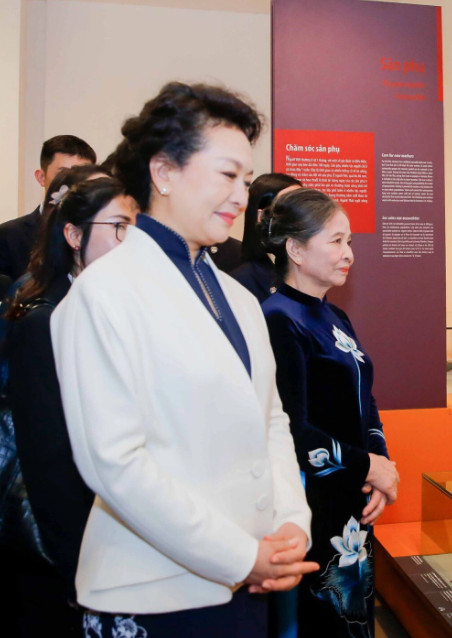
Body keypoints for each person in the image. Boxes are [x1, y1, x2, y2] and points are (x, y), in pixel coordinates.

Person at [50, 82, 316, 637]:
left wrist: (292, 523)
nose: (242, 196)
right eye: (226, 175)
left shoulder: (240, 298)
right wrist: (239, 555)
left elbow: (270, 420)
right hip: (155, 592)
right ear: (164, 172)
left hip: (251, 580)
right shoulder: (104, 293)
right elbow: (115, 463)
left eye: (246, 180)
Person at [261, 188, 399, 638]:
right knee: (324, 623)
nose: (349, 255)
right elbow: (291, 430)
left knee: (354, 618)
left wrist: (380, 465)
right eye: (336, 242)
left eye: (350, 241)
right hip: (314, 504)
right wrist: (369, 466)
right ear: (296, 250)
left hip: (353, 499)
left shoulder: (335, 315)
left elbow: (366, 398)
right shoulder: (279, 319)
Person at [6, 176, 137, 636]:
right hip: (73, 546)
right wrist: (78, 563)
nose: (130, 241)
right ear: (74, 235)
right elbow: (49, 462)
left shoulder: (129, 313)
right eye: (118, 226)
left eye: (136, 228)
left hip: (131, 532)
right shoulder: (45, 321)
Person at [0, 135, 96, 281]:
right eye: (62, 172)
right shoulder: (9, 236)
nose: (72, 182)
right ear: (41, 177)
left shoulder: (101, 232)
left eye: (81, 175)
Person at [231, 173, 302, 303]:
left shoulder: (307, 273)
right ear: (262, 217)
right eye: (290, 206)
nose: (301, 214)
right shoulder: (241, 281)